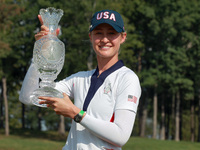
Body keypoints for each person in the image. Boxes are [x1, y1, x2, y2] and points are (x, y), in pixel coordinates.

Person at [19, 9, 141, 150]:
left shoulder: (127, 78)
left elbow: (121, 136)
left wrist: (74, 112)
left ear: (123, 37)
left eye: (112, 33)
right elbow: (27, 97)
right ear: (90, 36)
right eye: (99, 33)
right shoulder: (79, 78)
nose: (105, 39)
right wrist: (41, 52)